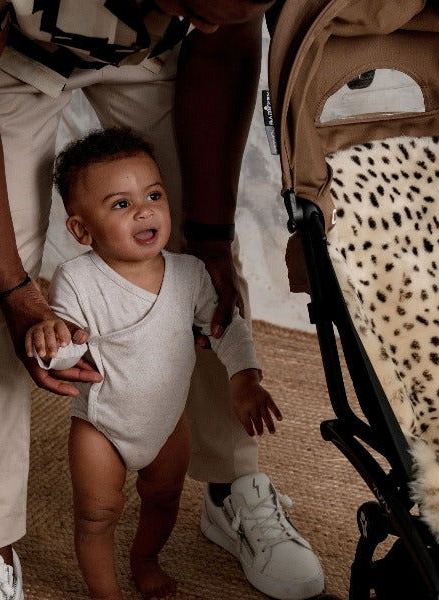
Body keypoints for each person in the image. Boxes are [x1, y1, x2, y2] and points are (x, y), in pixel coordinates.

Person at [0, 2, 324, 600]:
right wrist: (14, 292)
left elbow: (224, 40)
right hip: (5, 63)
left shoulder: (216, 20)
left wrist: (208, 234)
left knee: (200, 253)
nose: (214, 22)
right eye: (203, 9)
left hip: (151, 55)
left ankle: (231, 487)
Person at [25, 127, 282, 600]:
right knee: (97, 516)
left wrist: (244, 380)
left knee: (163, 501)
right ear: (82, 230)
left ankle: (145, 558)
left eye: (154, 194)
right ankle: (107, 594)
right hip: (101, 428)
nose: (144, 209)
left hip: (167, 423)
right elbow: (69, 353)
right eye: (121, 204)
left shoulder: (189, 273)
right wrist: (52, 342)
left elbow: (226, 328)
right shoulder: (78, 279)